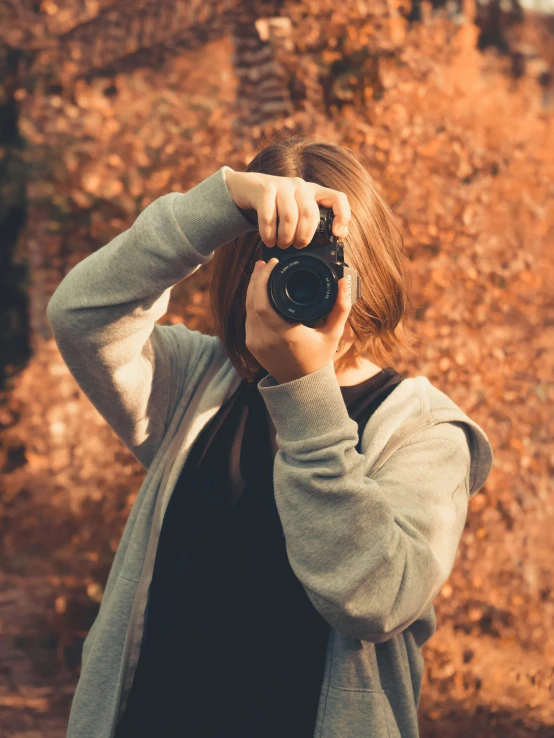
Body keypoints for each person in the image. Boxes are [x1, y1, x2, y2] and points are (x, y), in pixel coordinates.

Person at [47, 136, 493, 738]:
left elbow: (374, 596)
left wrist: (305, 390)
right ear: (241, 274)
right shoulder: (198, 385)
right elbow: (83, 315)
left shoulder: (427, 433)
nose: (300, 282)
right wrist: (220, 202)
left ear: (367, 265)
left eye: (321, 262)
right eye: (278, 260)